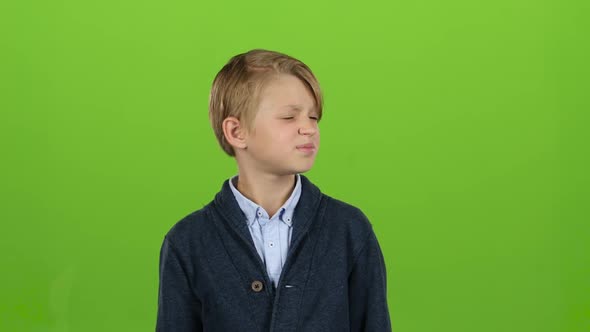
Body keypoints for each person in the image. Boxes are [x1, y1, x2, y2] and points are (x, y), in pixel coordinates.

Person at [156, 49, 391, 331]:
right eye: (289, 117)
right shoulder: (187, 242)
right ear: (236, 132)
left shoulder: (350, 230)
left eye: (314, 117)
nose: (309, 129)